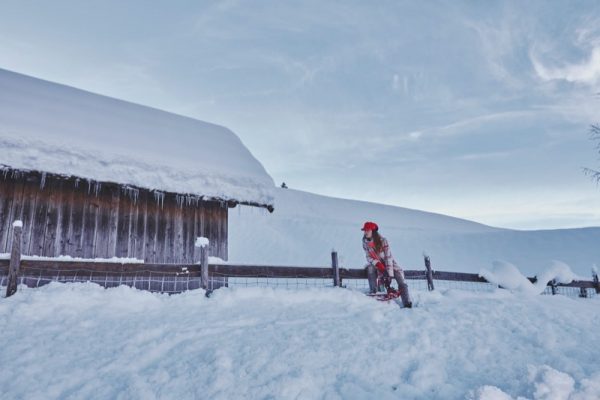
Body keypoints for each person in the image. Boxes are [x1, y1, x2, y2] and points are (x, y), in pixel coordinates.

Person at [362, 221, 412, 308]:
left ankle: (407, 302)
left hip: (389, 265)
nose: (365, 232)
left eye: (367, 230)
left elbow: (388, 257)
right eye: (364, 230)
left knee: (400, 279)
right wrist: (378, 264)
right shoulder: (365, 242)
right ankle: (374, 292)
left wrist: (389, 274)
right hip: (377, 266)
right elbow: (368, 257)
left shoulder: (383, 241)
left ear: (373, 231)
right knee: (370, 269)